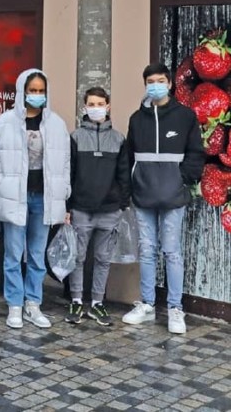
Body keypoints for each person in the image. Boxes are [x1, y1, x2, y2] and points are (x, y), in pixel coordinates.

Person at [0, 69, 71, 329]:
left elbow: (65, 162)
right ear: (22, 91)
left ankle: (33, 303)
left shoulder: (56, 124)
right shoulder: (5, 121)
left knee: (36, 254)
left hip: (43, 198)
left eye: (40, 91)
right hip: (15, 196)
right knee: (13, 253)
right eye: (31, 90)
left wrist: (63, 191)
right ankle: (14, 305)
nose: (36, 95)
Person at [121, 63, 204, 334]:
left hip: (173, 196)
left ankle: (175, 309)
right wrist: (130, 187)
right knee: (146, 250)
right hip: (143, 194)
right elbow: (129, 156)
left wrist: (183, 179)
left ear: (169, 83)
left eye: (159, 80)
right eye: (149, 81)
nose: (154, 85)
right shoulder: (136, 119)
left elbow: (195, 153)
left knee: (172, 251)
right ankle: (147, 305)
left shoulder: (185, 116)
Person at [64, 87, 131, 326]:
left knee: (103, 258)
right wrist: (67, 206)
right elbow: (69, 173)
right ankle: (76, 300)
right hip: (82, 208)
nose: (95, 108)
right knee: (78, 257)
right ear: (84, 107)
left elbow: (124, 175)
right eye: (91, 104)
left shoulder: (119, 138)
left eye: (100, 103)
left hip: (110, 209)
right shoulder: (75, 137)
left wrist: (122, 203)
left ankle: (97, 303)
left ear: (108, 106)